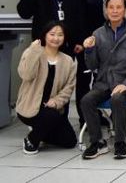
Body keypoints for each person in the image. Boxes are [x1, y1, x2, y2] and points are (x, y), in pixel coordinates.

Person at [17, 0, 85, 124]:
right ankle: (38, 119)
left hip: (67, 44)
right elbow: (24, 13)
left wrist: (78, 40)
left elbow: (79, 16)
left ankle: (61, 120)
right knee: (43, 82)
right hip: (43, 46)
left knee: (62, 83)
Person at [80, 0, 126, 160]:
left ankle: (120, 142)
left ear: (125, 10)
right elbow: (92, 66)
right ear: (106, 10)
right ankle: (97, 142)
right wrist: (89, 50)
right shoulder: (98, 33)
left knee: (117, 98)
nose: (115, 11)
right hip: (103, 83)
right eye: (111, 7)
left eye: (119, 7)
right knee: (86, 100)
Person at [16, 21, 77, 155]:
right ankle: (31, 139)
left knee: (70, 141)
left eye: (60, 35)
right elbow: (26, 75)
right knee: (52, 116)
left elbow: (69, 88)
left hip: (52, 107)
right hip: (30, 106)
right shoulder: (31, 52)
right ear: (44, 35)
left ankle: (41, 130)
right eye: (52, 34)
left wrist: (56, 101)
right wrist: (34, 52)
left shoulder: (68, 61)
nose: (56, 38)